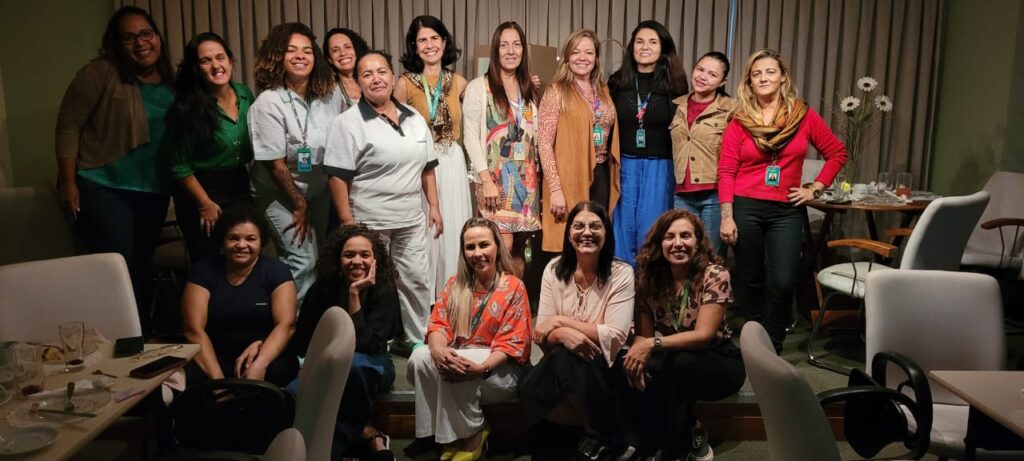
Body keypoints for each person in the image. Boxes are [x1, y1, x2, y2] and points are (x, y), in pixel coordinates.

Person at [54, 5, 175, 330]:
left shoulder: (173, 81)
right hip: (104, 186)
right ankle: (121, 337)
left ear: (158, 37)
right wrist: (67, 180)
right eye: (129, 38)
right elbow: (68, 125)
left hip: (153, 189)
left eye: (146, 34)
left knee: (139, 266)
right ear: (116, 44)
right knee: (115, 267)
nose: (140, 43)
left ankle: (140, 339)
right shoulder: (100, 73)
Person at [718, 49, 847, 352]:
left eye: (770, 72)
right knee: (750, 278)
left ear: (783, 77)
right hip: (745, 205)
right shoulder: (739, 120)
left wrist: (815, 188)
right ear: (749, 82)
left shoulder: (803, 116)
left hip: (785, 210)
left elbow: (837, 153)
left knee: (783, 280)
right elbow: (726, 170)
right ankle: (755, 338)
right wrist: (727, 215)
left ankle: (773, 340)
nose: (763, 78)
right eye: (756, 74)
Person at [324, 50, 442, 348]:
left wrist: (435, 207)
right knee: (368, 283)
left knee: (416, 279)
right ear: (359, 82)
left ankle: (416, 339)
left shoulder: (414, 118)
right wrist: (348, 224)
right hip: (368, 220)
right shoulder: (347, 123)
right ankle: (366, 341)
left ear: (393, 76)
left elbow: (427, 168)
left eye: (381, 72)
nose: (376, 79)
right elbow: (337, 177)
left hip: (411, 218)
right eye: (367, 74)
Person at [619, 209, 745, 461]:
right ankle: (678, 433)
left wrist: (651, 344)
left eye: (685, 236)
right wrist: (638, 354)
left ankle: (672, 451)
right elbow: (643, 339)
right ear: (659, 243)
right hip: (672, 355)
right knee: (628, 364)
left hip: (717, 359)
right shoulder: (647, 278)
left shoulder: (715, 274)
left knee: (682, 364)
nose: (678, 243)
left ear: (697, 241)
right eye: (670, 237)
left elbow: (703, 336)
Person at [407, 217, 532, 461]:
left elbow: (511, 345)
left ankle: (474, 431)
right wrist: (437, 349)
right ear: (463, 252)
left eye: (484, 245)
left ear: (497, 246)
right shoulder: (455, 285)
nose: (478, 253)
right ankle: (438, 436)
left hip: (499, 371)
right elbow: (438, 325)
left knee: (459, 360)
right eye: (470, 247)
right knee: (420, 357)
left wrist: (480, 367)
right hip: (461, 363)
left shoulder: (513, 287)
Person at [519, 201, 635, 461]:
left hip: (605, 366)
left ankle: (601, 437)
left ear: (606, 233)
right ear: (569, 234)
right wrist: (562, 336)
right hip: (562, 363)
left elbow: (616, 336)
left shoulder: (622, 273)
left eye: (596, 226)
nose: (587, 232)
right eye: (579, 226)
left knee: (552, 370)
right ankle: (603, 436)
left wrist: (560, 322)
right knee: (529, 384)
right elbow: (542, 334)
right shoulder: (553, 269)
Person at [248, 22, 344, 305]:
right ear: (278, 57)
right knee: (303, 260)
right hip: (279, 193)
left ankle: (314, 326)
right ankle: (295, 334)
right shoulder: (269, 102)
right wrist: (299, 203)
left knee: (322, 259)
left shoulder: (330, 94)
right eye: (291, 51)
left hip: (319, 189)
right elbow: (274, 163)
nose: (301, 56)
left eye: (307, 51)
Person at [289, 224, 400, 461]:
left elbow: (365, 346)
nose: (356, 261)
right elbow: (302, 341)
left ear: (376, 259)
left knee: (353, 367)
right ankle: (367, 435)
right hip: (326, 362)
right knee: (293, 392)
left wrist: (354, 295)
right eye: (349, 255)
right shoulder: (321, 290)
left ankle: (330, 452)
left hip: (372, 363)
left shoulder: (385, 291)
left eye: (364, 254)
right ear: (338, 260)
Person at [394, 15, 473, 295]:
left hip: (452, 161)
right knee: (427, 231)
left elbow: (485, 109)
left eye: (434, 39)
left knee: (453, 228)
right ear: (415, 47)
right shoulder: (404, 83)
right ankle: (424, 297)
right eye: (422, 40)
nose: (429, 45)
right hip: (422, 166)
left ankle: (454, 292)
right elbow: (394, 130)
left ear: (444, 42)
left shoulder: (460, 82)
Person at [182, 207, 298, 387]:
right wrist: (218, 382)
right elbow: (193, 330)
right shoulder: (203, 271)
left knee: (277, 372)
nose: (241, 245)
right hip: (214, 355)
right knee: (189, 377)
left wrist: (259, 364)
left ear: (261, 242)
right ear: (222, 241)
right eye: (233, 238)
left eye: (250, 239)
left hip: (263, 354)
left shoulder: (277, 272)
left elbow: (286, 326)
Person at [164, 32, 254, 263]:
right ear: (196, 68)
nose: (216, 65)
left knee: (241, 258)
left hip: (238, 182)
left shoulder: (244, 94)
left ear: (230, 61)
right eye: (206, 60)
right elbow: (179, 166)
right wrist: (205, 204)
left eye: (220, 57)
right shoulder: (185, 108)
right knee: (208, 261)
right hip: (201, 190)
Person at [463, 21, 541, 277]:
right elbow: (471, 137)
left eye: (516, 45)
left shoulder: (528, 88)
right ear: (496, 51)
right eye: (504, 45)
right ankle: (494, 306)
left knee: (519, 249)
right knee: (500, 245)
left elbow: (534, 134)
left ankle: (514, 306)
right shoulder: (479, 87)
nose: (511, 51)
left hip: (525, 181)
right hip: (494, 181)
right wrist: (485, 180)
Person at [609, 20, 688, 266]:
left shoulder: (676, 85)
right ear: (632, 46)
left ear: (663, 48)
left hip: (660, 167)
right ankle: (622, 292)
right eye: (640, 41)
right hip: (624, 165)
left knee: (652, 231)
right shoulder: (616, 82)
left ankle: (650, 295)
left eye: (653, 42)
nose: (645, 47)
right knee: (621, 232)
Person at [538, 29, 621, 253]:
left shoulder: (603, 90)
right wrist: (555, 189)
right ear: (567, 57)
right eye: (576, 52)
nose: (582, 58)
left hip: (601, 172)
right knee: (569, 240)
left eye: (589, 52)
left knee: (594, 238)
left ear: (596, 58)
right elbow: (544, 143)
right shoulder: (556, 91)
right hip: (569, 176)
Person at [671, 51, 735, 255]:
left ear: (722, 82)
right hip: (682, 193)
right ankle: (685, 289)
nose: (702, 76)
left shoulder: (732, 109)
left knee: (710, 256)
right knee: (682, 254)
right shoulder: (677, 105)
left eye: (712, 74)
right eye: (700, 69)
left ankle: (711, 289)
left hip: (714, 194)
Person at [323, 27, 368, 110]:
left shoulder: (372, 80)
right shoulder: (327, 89)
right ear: (329, 59)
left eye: (347, 47)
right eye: (335, 50)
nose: (343, 53)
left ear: (356, 51)